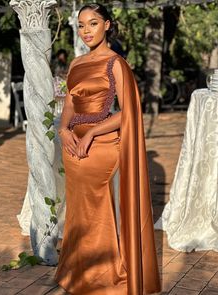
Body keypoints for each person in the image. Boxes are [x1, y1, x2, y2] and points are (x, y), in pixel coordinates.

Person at [55, 3, 161, 295]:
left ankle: (102, 277)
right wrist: (63, 131)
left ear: (107, 25)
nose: (86, 30)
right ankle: (79, 272)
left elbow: (128, 113)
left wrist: (91, 135)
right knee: (78, 212)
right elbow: (69, 104)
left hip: (100, 147)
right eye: (81, 25)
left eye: (93, 23)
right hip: (72, 145)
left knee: (96, 211)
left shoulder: (116, 63)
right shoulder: (76, 64)